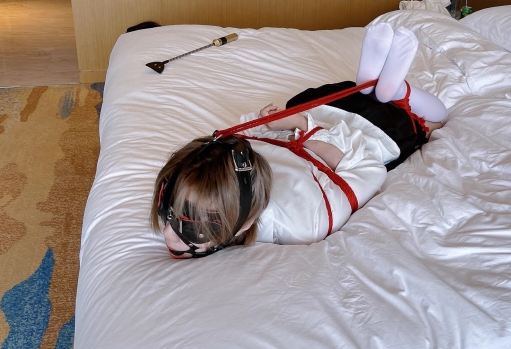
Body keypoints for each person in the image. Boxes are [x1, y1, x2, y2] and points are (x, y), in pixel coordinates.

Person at [151, 23, 448, 258]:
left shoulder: (298, 217)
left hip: (319, 108)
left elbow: (243, 132)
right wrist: (299, 127)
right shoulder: (303, 222)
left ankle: (374, 85)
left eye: (171, 211)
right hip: (363, 130)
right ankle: (393, 91)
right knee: (430, 120)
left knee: (438, 118)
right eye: (171, 214)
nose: (167, 234)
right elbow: (368, 168)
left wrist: (274, 121)